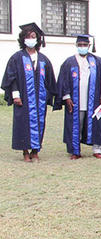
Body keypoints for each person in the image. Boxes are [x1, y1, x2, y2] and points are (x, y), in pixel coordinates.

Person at [1, 22, 57, 162]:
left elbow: (50, 80)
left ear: (38, 39)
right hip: (23, 98)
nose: (30, 39)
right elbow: (11, 78)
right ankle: (25, 152)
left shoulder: (43, 60)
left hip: (40, 99)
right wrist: (15, 95)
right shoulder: (17, 58)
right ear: (23, 39)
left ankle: (35, 150)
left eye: (33, 36)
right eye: (27, 36)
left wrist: (49, 95)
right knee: (22, 123)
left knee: (39, 123)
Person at [55, 34, 101, 159]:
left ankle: (97, 150)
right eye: (80, 45)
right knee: (75, 125)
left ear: (89, 46)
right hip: (75, 100)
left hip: (94, 100)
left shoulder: (98, 61)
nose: (82, 47)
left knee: (96, 124)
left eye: (85, 45)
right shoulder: (69, 62)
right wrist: (66, 97)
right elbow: (63, 81)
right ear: (76, 46)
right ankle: (75, 151)